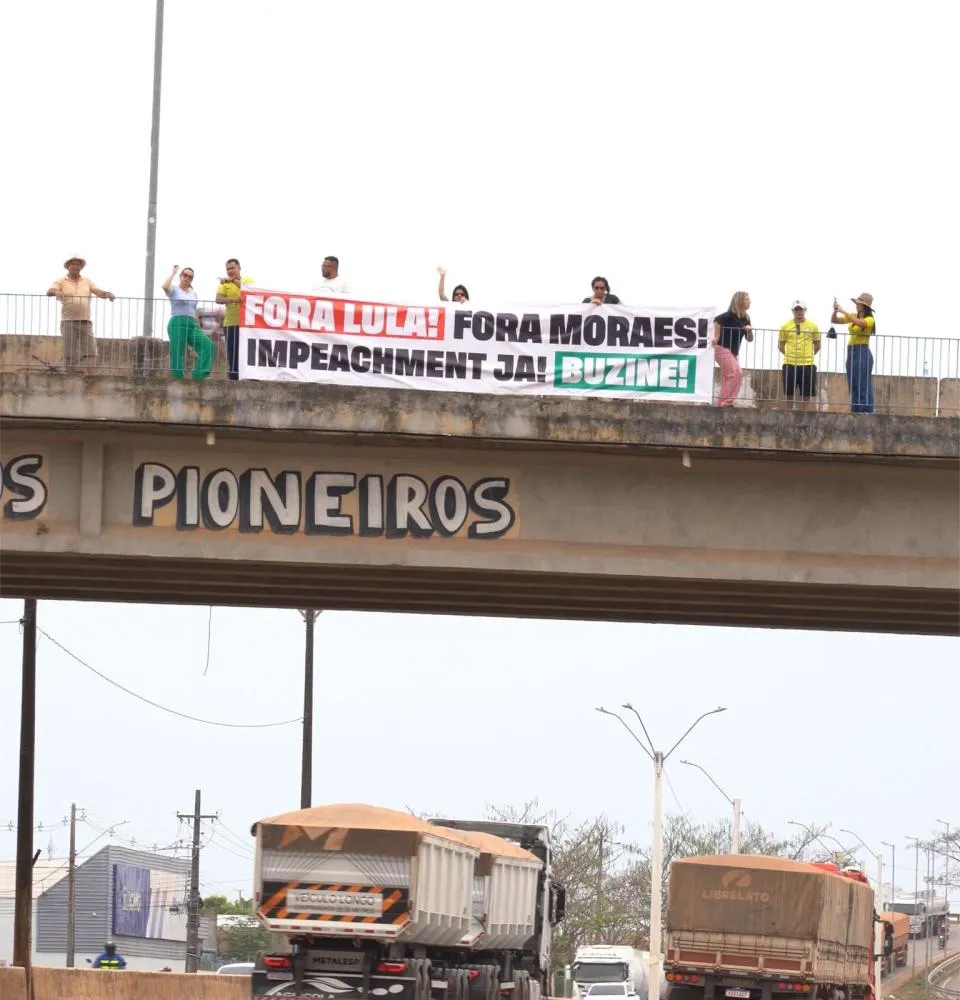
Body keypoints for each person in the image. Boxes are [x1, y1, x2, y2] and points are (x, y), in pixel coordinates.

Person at [46, 254, 115, 373]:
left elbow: (97, 291)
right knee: (69, 351)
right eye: (73, 264)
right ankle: (70, 374)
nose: (75, 266)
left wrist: (107, 293)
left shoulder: (87, 281)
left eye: (78, 264)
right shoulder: (61, 280)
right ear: (68, 266)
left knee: (91, 350)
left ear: (81, 267)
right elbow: (49, 291)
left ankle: (91, 375)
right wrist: (56, 292)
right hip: (68, 321)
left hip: (85, 321)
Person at [162, 265, 214, 380]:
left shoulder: (193, 293)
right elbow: (164, 286)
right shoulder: (174, 289)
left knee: (207, 345)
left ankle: (200, 375)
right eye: (185, 275)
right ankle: (178, 379)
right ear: (181, 276)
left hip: (192, 324)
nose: (187, 278)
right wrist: (173, 273)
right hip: (177, 322)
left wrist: (199, 327)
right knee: (178, 352)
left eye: (190, 277)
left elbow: (194, 311)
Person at [831, 293, 876, 414]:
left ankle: (866, 411)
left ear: (865, 306)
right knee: (854, 384)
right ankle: (855, 411)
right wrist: (836, 311)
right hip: (852, 351)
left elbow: (860, 323)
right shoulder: (853, 316)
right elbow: (834, 320)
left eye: (859, 304)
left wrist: (843, 311)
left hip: (862, 351)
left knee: (863, 383)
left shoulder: (869, 319)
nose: (857, 305)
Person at [712, 291, 753, 406]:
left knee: (728, 376)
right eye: (747, 299)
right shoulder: (729, 315)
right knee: (736, 373)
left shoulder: (746, 318)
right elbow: (717, 321)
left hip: (733, 351)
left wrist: (749, 331)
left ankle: (721, 401)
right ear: (739, 301)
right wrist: (717, 336)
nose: (749, 302)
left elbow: (749, 339)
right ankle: (726, 401)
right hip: (721, 348)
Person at [778, 300, 821, 404]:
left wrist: (809, 355)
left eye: (800, 309)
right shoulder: (785, 326)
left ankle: (805, 415)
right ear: (792, 311)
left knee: (807, 393)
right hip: (789, 362)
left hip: (808, 363)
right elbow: (780, 345)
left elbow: (817, 344)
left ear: (805, 310)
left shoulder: (813, 326)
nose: (798, 311)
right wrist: (789, 354)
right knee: (789, 392)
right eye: (796, 309)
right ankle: (789, 413)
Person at [216, 258, 246, 381]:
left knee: (244, 352)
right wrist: (233, 299)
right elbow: (218, 299)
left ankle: (245, 377)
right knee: (232, 352)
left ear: (239, 269)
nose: (230, 271)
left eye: (232, 268)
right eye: (228, 269)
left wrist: (233, 281)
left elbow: (247, 290)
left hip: (247, 324)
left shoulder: (248, 280)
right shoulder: (223, 283)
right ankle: (233, 378)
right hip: (230, 323)